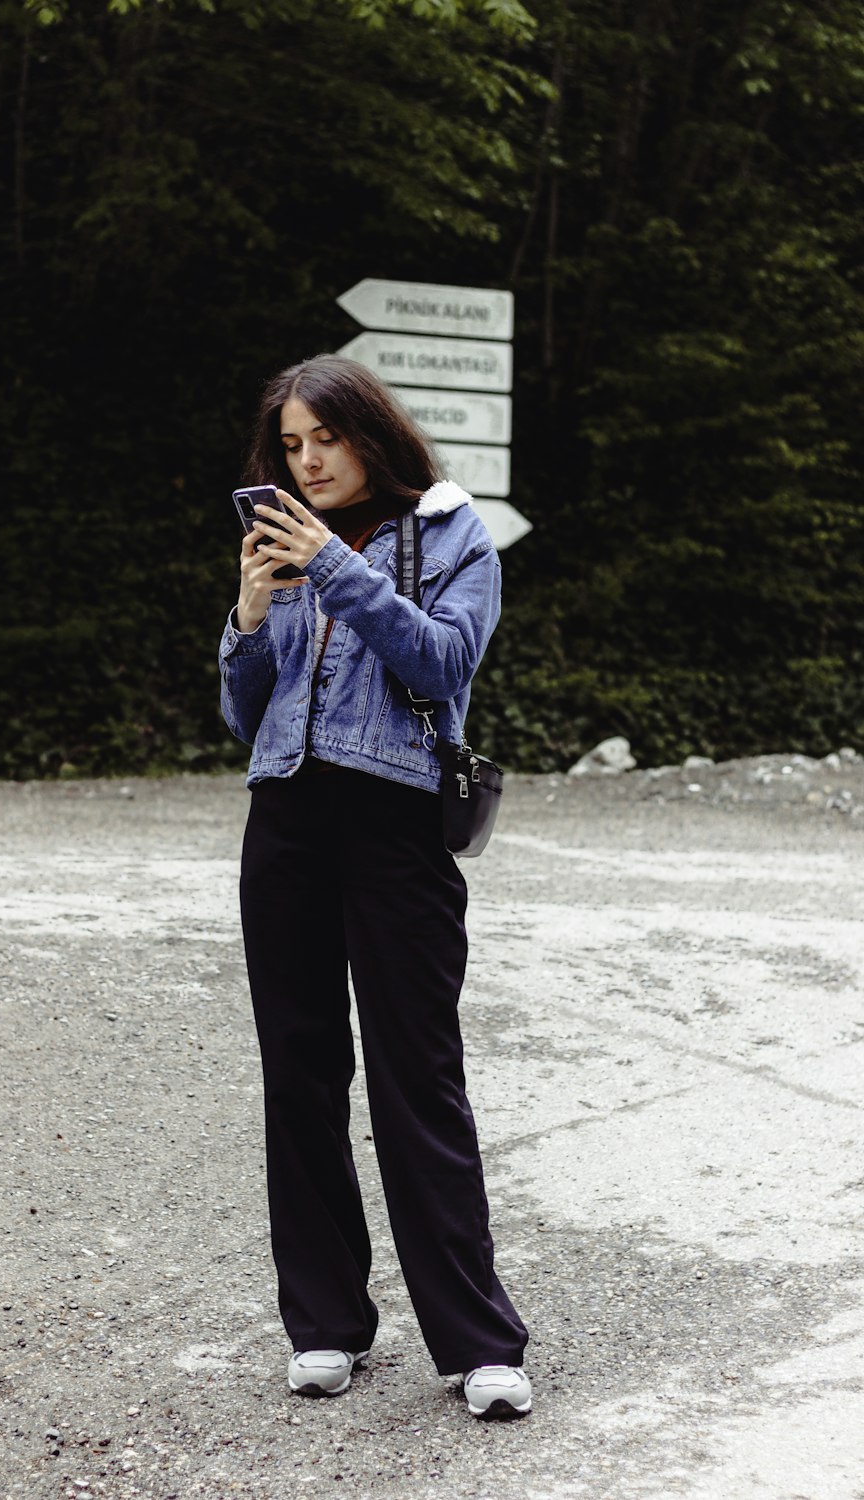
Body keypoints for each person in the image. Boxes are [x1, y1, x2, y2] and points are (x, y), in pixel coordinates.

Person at [218, 353, 531, 1419]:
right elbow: (244, 715)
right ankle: (324, 1326)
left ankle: (480, 1342)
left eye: (325, 439)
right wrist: (250, 619)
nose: (307, 462)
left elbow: (445, 664)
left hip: (397, 822)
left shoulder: (450, 532)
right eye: (291, 446)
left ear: (369, 433)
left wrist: (338, 572)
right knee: (299, 1076)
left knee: (417, 1078)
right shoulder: (282, 546)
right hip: (287, 821)